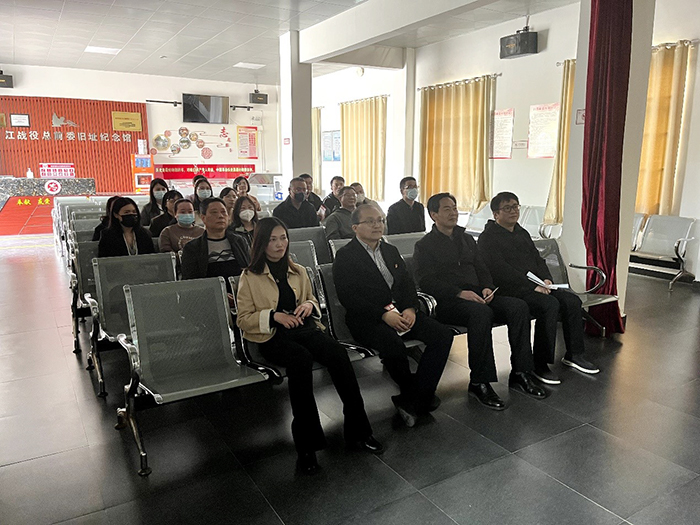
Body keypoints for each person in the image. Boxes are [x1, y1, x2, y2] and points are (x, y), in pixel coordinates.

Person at [236, 217, 382, 474]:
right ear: (261, 243)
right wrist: (274, 316)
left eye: (283, 238)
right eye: (272, 240)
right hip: (273, 336)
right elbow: (243, 319)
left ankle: (359, 431)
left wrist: (308, 305)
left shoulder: (299, 270)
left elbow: (312, 300)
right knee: (300, 360)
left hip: (304, 328)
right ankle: (307, 446)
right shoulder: (249, 276)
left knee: (338, 354)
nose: (280, 244)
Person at [413, 193, 545, 410]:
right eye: (447, 209)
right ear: (433, 214)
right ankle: (479, 381)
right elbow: (426, 281)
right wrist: (459, 293)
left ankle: (521, 371)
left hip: (478, 295)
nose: (453, 212)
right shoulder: (424, 245)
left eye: (454, 208)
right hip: (450, 302)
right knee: (481, 314)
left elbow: (482, 267)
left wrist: (487, 287)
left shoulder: (466, 239)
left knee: (518, 307)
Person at [333, 204, 454, 427]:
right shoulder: (345, 256)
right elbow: (349, 297)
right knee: (392, 344)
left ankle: (413, 397)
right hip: (368, 318)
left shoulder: (390, 250)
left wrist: (410, 308)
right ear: (355, 227)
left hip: (401, 312)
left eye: (380, 220)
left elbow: (407, 284)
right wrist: (383, 314)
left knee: (442, 335)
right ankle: (417, 395)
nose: (377, 225)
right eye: (370, 221)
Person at [477, 192, 600, 384]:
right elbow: (499, 269)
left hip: (536, 285)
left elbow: (538, 259)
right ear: (496, 214)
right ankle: (540, 363)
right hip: (511, 289)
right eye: (507, 208)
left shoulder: (522, 233)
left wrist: (546, 279)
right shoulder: (487, 238)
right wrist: (532, 286)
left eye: (515, 206)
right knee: (548, 305)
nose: (513, 211)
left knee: (571, 301)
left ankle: (575, 354)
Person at [181, 198, 250, 292]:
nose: (220, 216)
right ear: (203, 218)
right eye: (214, 212)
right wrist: (219, 294)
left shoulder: (239, 241)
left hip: (242, 293)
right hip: (211, 295)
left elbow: (250, 270)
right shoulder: (192, 248)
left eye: (223, 212)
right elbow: (191, 282)